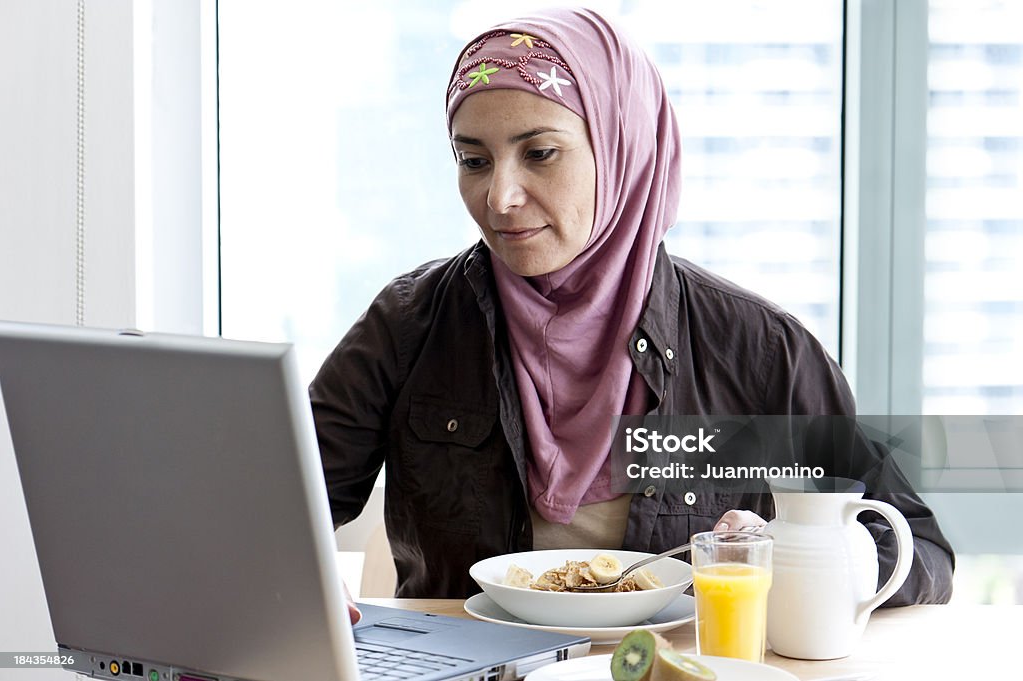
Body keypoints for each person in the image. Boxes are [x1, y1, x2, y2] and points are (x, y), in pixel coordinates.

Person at [309, 7, 954, 616]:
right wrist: (296, 587)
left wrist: (805, 560)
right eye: (473, 161)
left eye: (540, 153)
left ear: (623, 148)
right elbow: (273, 509)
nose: (499, 196)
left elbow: (920, 549)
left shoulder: (756, 348)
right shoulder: (408, 324)